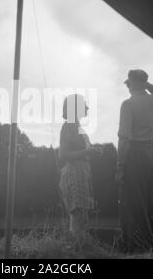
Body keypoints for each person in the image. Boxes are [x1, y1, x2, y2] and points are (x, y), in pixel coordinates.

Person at [116, 69, 153, 253]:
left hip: (135, 155)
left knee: (136, 205)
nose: (127, 86)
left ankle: (143, 250)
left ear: (134, 83)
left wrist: (120, 167)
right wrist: (146, 84)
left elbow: (124, 139)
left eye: (129, 83)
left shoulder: (127, 105)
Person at [59, 94, 102, 248]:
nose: (88, 107)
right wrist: (87, 153)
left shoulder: (76, 126)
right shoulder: (69, 125)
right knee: (78, 215)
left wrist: (91, 152)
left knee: (81, 216)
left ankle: (78, 250)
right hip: (74, 173)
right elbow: (62, 155)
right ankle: (79, 252)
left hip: (81, 172)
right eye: (84, 105)